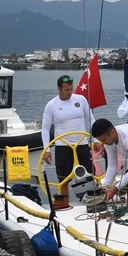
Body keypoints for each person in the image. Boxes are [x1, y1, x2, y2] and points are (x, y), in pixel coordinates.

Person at [41, 74, 94, 210]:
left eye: (71, 89)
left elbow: (91, 120)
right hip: (62, 146)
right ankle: (64, 204)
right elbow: (45, 129)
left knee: (89, 175)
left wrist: (96, 140)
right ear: (59, 89)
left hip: (81, 143)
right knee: (63, 178)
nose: (70, 92)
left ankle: (92, 202)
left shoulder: (81, 100)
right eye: (66, 90)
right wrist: (46, 150)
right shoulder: (51, 105)